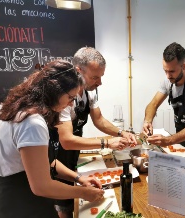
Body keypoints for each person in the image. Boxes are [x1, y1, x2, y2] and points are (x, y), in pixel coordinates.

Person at [0, 60, 105, 218]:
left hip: (14, 196)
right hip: (21, 203)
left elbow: (46, 162)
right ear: (55, 91)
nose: (70, 104)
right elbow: (41, 186)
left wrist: (79, 178)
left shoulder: (17, 108)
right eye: (70, 97)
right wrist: (82, 193)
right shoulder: (32, 122)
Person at [48, 47, 137, 218]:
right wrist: (106, 143)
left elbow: (99, 120)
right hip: (58, 158)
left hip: (74, 154)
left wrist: (121, 133)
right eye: (95, 77)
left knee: (78, 203)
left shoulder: (89, 92)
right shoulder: (64, 98)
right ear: (78, 71)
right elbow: (66, 140)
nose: (99, 82)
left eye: (101, 77)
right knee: (65, 206)